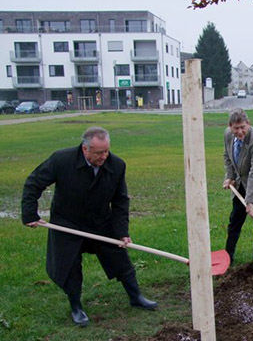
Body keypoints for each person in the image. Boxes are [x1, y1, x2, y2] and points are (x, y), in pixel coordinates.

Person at [21, 127, 157, 327]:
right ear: (85, 149)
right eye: (99, 152)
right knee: (69, 265)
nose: (104, 156)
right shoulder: (61, 160)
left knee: (119, 258)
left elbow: (120, 201)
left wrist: (122, 232)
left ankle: (136, 296)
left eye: (106, 151)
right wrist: (29, 214)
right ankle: (76, 307)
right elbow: (34, 183)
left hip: (100, 221)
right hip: (67, 222)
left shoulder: (117, 165)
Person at [223, 108, 253, 264]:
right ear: (230, 126)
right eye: (236, 128)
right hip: (240, 183)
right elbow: (227, 156)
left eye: (243, 127)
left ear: (248, 123)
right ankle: (228, 256)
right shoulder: (228, 135)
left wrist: (250, 201)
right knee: (235, 221)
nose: (240, 131)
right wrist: (230, 177)